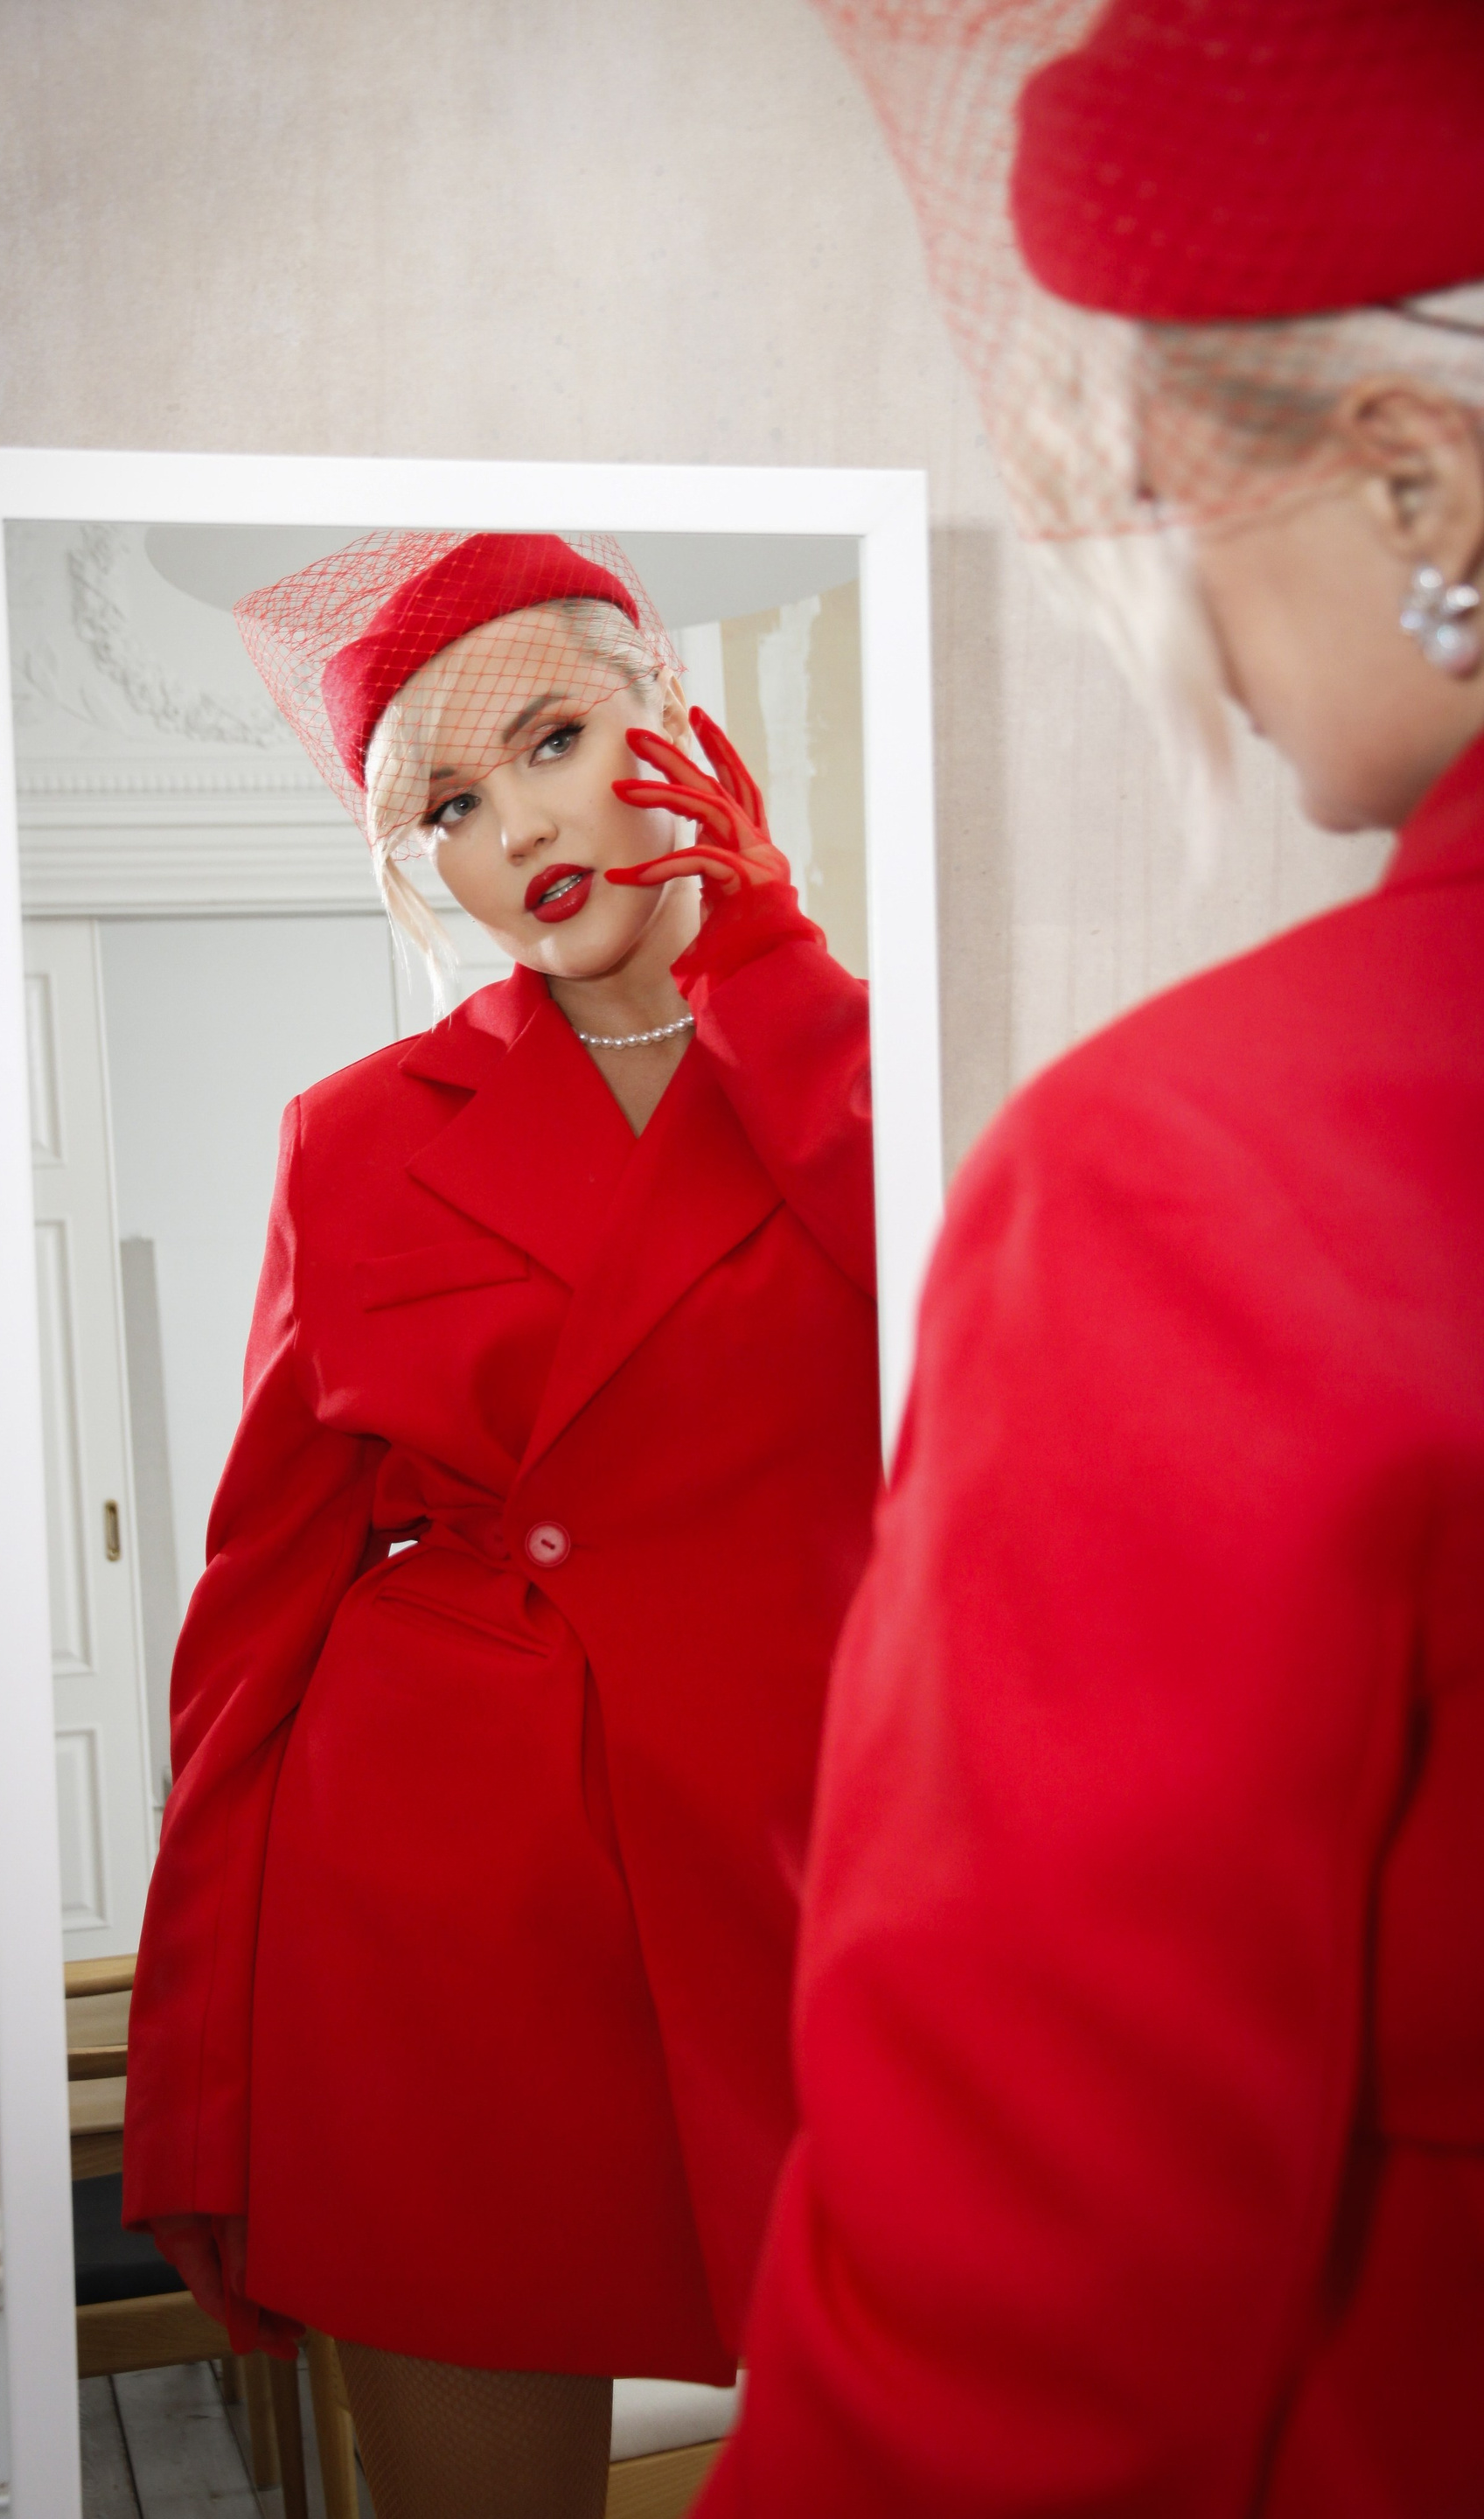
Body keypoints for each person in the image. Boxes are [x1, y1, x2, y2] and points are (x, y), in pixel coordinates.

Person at [700, 3, 1484, 2511]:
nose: (1202, 639)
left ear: (1412, 471)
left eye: (1170, 504)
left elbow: (1011, 2342)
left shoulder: (1205, 1179)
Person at [119, 530, 881, 2519]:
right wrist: (200, 2063)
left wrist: (772, 972)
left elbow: (980, 1360)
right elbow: (257, 1608)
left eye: (551, 740)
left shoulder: (884, 1057)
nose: (519, 826)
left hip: (820, 1866)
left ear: (674, 722)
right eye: (449, 805)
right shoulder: (357, 1135)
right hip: (441, 1900)